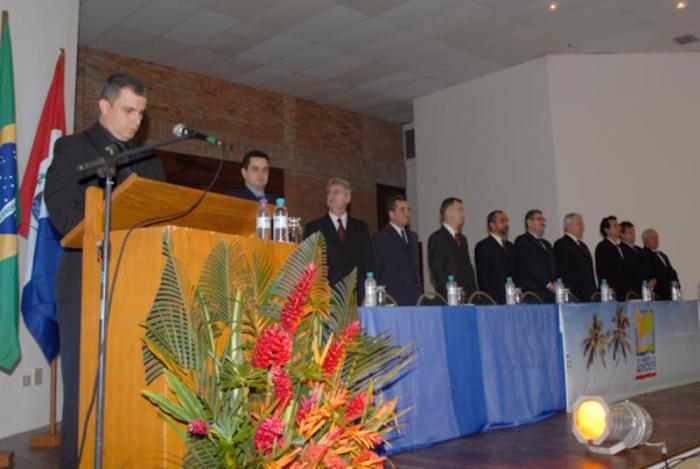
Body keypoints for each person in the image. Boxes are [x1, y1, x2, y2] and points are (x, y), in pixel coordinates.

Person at [44, 74, 166, 469]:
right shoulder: (73, 149)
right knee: (85, 390)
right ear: (104, 105)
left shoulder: (147, 159)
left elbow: (164, 213)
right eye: (129, 111)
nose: (136, 121)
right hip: (85, 282)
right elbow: (64, 214)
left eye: (141, 113)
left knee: (130, 387)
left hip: (138, 284)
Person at [303, 177, 372, 302]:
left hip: (355, 297)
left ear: (348, 198)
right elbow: (308, 264)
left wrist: (368, 295)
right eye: (329, 193)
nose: (331, 196)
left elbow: (368, 263)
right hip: (325, 298)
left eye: (336, 192)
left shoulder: (361, 228)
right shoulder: (313, 227)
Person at [371, 195, 421, 305]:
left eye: (409, 210)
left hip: (414, 298)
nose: (407, 213)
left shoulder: (413, 237)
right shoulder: (381, 237)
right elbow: (376, 270)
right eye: (402, 210)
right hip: (392, 299)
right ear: (391, 214)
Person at [427, 197, 477, 301]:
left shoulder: (462, 239)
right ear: (448, 213)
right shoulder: (437, 238)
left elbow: (468, 269)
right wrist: (451, 296)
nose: (463, 213)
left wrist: (474, 296)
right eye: (459, 210)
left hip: (467, 297)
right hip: (450, 298)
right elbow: (438, 272)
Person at [474, 210, 516, 304]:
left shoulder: (510, 246)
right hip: (494, 300)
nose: (506, 224)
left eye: (507, 220)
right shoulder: (484, 246)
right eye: (502, 221)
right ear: (492, 225)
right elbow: (483, 276)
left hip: (511, 297)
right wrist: (488, 300)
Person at [514, 209, 556, 303]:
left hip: (550, 293)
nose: (543, 223)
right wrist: (548, 284)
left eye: (543, 220)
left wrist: (556, 282)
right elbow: (531, 265)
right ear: (529, 223)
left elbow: (553, 266)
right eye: (539, 219)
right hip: (533, 293)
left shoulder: (546, 244)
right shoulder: (522, 241)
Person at [553, 213, 596, 302]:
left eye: (583, 224)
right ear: (568, 226)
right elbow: (563, 272)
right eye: (579, 224)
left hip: (589, 295)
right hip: (574, 296)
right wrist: (570, 296)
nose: (582, 227)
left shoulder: (583, 245)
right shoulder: (561, 244)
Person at [595, 215, 632, 300]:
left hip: (628, 293)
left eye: (618, 225)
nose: (619, 227)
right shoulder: (602, 247)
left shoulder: (624, 247)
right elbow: (604, 272)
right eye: (615, 226)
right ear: (607, 230)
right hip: (612, 294)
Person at [642, 228, 679, 300]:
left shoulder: (662, 255)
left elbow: (671, 271)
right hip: (658, 295)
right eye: (653, 238)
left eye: (657, 237)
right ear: (645, 241)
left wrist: (676, 285)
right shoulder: (643, 255)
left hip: (671, 294)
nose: (656, 240)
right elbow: (651, 273)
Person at [620, 221, 654, 296]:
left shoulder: (639, 250)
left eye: (634, 232)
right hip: (632, 291)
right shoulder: (621, 250)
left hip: (646, 289)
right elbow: (629, 270)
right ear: (622, 234)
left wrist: (651, 279)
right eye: (630, 232)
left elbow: (647, 266)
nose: (633, 234)